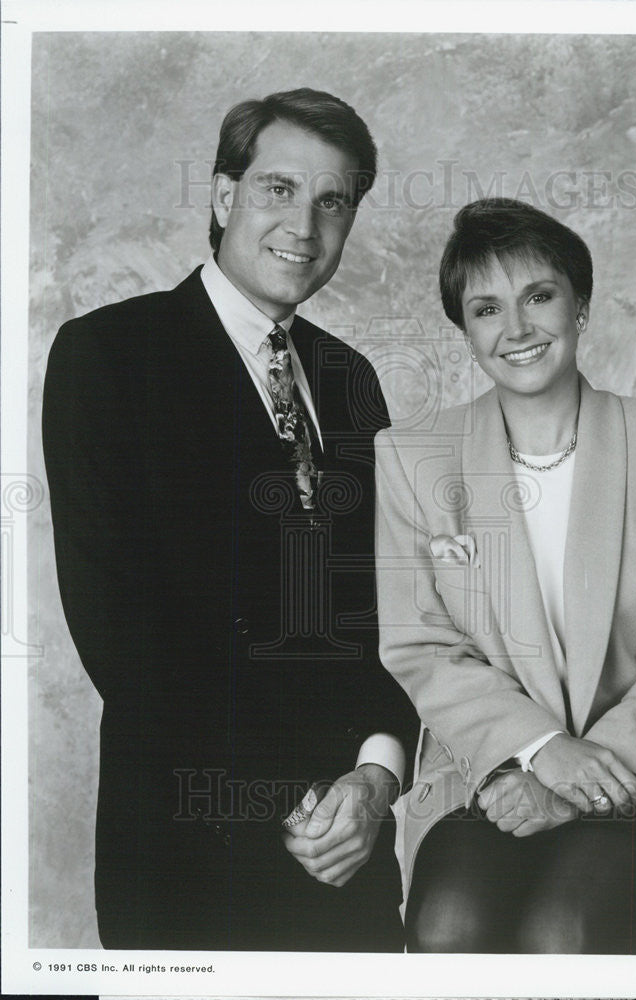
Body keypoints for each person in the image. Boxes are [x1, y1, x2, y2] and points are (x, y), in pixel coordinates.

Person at [42, 88, 417, 951]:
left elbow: (395, 612)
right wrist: (284, 799)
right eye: (279, 189)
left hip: (350, 859)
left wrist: (374, 780)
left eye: (333, 201)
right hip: (189, 855)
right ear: (223, 198)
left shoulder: (352, 377)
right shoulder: (110, 356)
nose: (305, 225)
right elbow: (120, 631)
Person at [375, 197, 636, 953]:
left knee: (564, 930)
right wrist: (539, 752)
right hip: (489, 776)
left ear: (580, 306)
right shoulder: (412, 458)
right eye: (486, 308)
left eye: (538, 297)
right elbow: (421, 647)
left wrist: (582, 774)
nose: (515, 329)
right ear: (466, 331)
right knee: (449, 927)